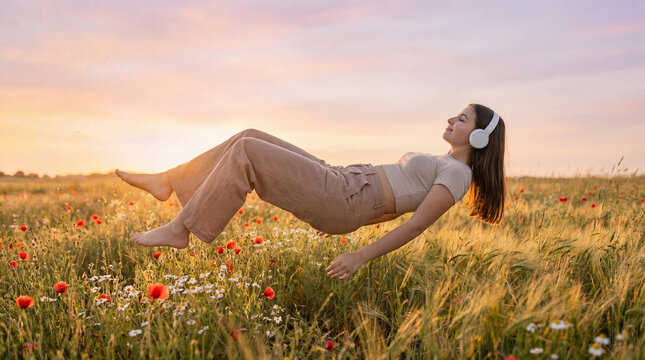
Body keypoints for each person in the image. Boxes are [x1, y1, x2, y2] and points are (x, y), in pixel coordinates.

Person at [115, 103, 506, 280]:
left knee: (248, 153)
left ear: (477, 135)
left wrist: (358, 254)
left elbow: (417, 223)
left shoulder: (458, 175)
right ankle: (169, 181)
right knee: (249, 135)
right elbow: (399, 204)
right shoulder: (445, 162)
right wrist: (352, 221)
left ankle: (181, 229)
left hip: (347, 195)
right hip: (345, 184)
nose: (451, 118)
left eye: (462, 118)